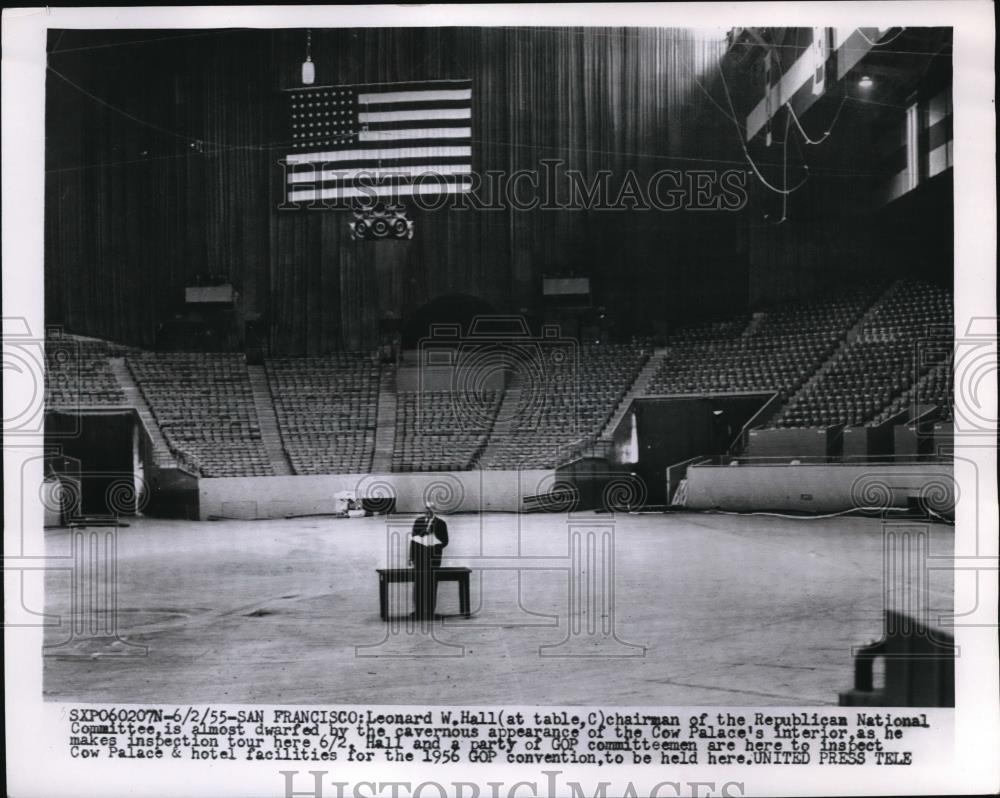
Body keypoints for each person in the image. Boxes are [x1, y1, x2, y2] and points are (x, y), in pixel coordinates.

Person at [408, 503, 449, 620]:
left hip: (433, 558)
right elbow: (413, 540)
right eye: (426, 509)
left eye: (430, 510)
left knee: (431, 584)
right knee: (419, 585)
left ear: (435, 511)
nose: (428, 511)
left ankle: (430, 611)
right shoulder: (418, 522)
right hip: (419, 558)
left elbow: (445, 541)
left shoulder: (441, 523)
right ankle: (418, 611)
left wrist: (434, 543)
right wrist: (411, 557)